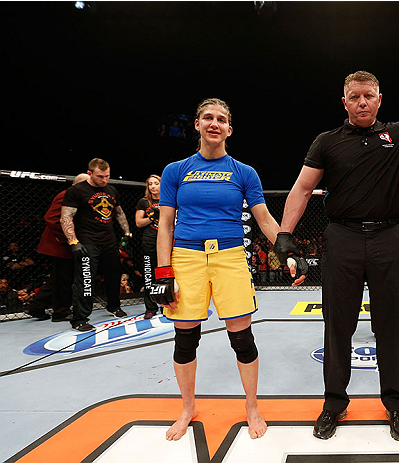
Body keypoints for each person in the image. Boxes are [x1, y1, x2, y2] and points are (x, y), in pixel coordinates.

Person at [274, 69, 399, 442]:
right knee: (337, 326)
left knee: (391, 326)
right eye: (355, 96)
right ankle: (333, 402)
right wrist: (283, 235)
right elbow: (302, 188)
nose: (362, 102)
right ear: (344, 102)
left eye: (369, 96)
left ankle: (396, 405)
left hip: (389, 237)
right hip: (341, 237)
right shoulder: (327, 141)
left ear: (380, 99)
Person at [149, 97, 302, 442]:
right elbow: (165, 226)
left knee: (242, 337)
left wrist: (286, 249)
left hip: (230, 256)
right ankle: (187, 407)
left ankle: (251, 407)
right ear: (198, 125)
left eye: (221, 119)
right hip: (186, 258)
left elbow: (263, 218)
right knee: (185, 339)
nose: (214, 123)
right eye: (208, 118)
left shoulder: (243, 172)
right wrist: (163, 274)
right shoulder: (176, 171)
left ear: (229, 129)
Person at [60, 158, 131, 332]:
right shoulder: (76, 191)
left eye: (107, 176)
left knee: (114, 276)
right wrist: (73, 242)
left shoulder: (111, 190)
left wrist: (127, 233)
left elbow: (119, 213)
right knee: (85, 280)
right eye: (100, 176)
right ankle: (80, 319)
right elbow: (66, 217)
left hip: (109, 241)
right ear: (90, 173)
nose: (104, 180)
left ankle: (113, 306)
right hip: (87, 242)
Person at [34, 173, 91, 322]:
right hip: (60, 244)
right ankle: (60, 311)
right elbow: (51, 218)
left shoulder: (79, 196)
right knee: (62, 278)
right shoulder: (66, 195)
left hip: (67, 243)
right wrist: (69, 239)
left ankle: (37, 305)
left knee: (60, 278)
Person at [135, 174, 161, 319]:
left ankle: (166, 304)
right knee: (149, 275)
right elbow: (138, 222)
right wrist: (152, 217)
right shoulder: (144, 202)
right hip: (149, 241)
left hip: (166, 241)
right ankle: (150, 308)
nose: (152, 186)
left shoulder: (169, 200)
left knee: (166, 274)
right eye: (150, 184)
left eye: (155, 183)